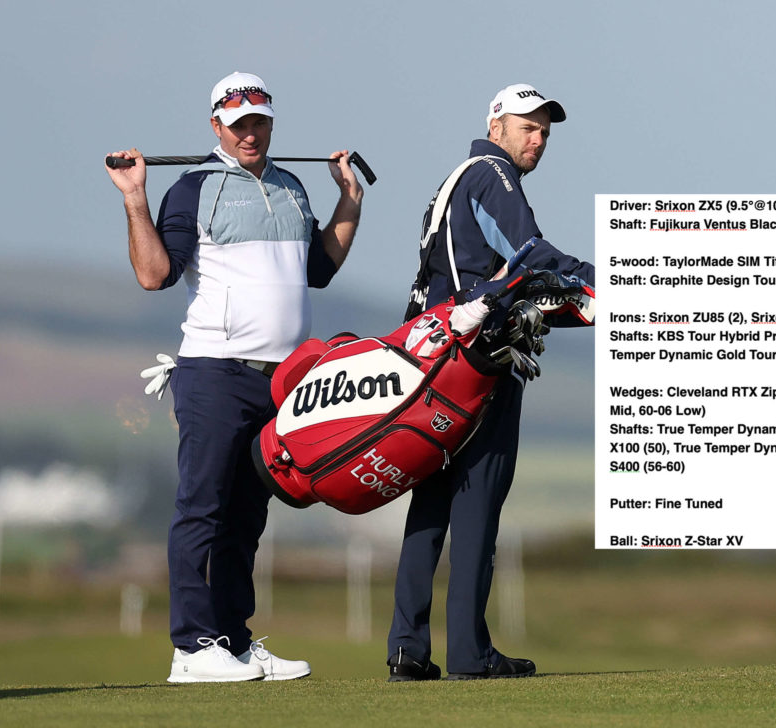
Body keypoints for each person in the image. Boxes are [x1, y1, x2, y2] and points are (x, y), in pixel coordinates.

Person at [105, 71, 363, 683]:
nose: (252, 133)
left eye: (261, 121)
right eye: (239, 123)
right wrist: (135, 198)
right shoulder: (193, 189)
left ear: (272, 122)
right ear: (217, 125)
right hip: (215, 372)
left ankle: (233, 642)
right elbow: (153, 274)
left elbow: (320, 268)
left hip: (283, 381)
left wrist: (349, 199)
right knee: (203, 507)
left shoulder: (294, 187)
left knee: (248, 515)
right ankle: (191, 649)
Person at [387, 84, 594, 681]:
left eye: (546, 132)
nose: (538, 139)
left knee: (429, 501)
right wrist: (596, 280)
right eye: (528, 126)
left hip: (429, 357)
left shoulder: (452, 181)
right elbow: (528, 255)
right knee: (478, 500)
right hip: (480, 360)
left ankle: (407, 649)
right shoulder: (493, 175)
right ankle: (469, 655)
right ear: (496, 124)